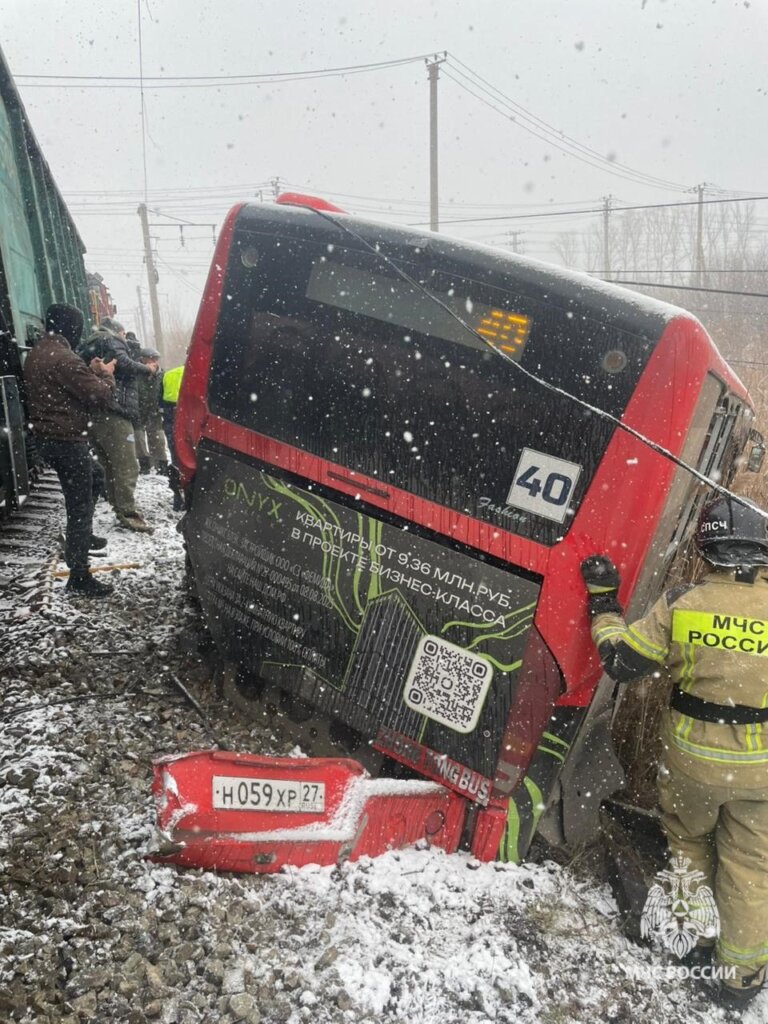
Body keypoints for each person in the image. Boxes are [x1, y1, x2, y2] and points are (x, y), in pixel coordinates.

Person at [581, 495, 768, 1010]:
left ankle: (698, 944)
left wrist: (604, 605)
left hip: (692, 762)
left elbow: (620, 662)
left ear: (706, 549)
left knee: (688, 846)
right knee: (752, 865)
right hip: (763, 771)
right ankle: (739, 980)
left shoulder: (684, 602)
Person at [23, 303, 116, 597]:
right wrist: (105, 374)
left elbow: (65, 383)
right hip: (66, 441)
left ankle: (83, 537)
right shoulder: (63, 357)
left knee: (97, 476)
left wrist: (86, 372)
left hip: (49, 438)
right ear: (69, 328)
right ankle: (79, 576)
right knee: (79, 507)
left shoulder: (39, 353)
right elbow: (99, 395)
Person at [79, 317, 155, 532]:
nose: (125, 339)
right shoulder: (111, 340)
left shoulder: (92, 342)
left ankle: (119, 507)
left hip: (98, 412)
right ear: (118, 332)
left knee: (111, 464)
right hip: (115, 411)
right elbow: (124, 363)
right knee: (127, 464)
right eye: (123, 335)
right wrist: (148, 369)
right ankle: (128, 513)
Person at [134, 347, 168, 475]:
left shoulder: (162, 374)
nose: (153, 361)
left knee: (157, 438)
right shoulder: (135, 373)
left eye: (156, 358)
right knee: (139, 439)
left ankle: (161, 464)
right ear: (143, 359)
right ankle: (144, 464)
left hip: (154, 411)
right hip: (138, 410)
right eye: (150, 358)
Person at [161, 363, 185, 511]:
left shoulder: (169, 374)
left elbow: (159, 399)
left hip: (171, 418)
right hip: (187, 418)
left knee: (176, 460)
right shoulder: (197, 372)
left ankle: (178, 500)